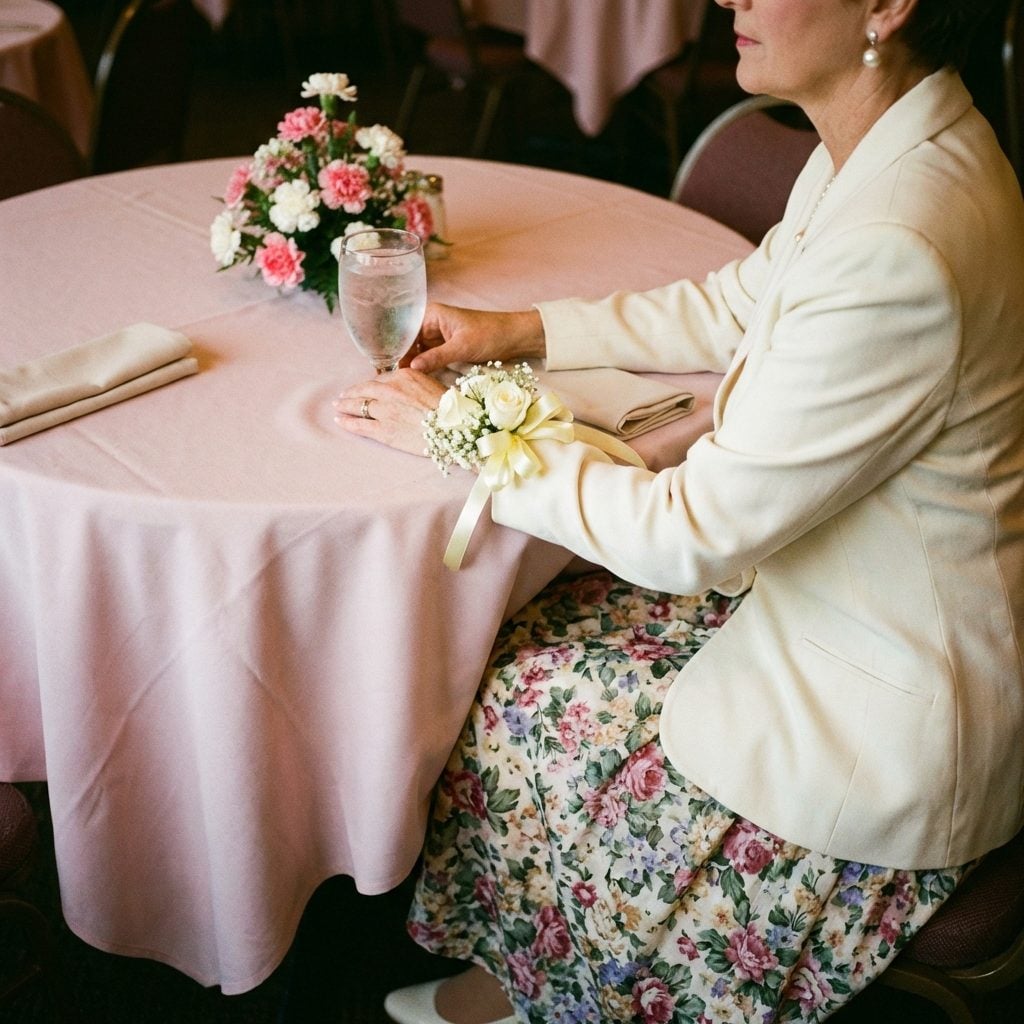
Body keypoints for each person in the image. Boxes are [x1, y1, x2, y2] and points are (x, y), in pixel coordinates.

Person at [335, 0, 1024, 1020]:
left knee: (524, 692)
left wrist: (465, 435)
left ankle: (574, 992)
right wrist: (515, 330)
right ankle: (534, 971)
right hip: (825, 597)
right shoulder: (890, 141)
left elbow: (686, 535)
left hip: (886, 716)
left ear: (886, 6)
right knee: (515, 632)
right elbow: (739, 302)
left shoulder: (900, 243)